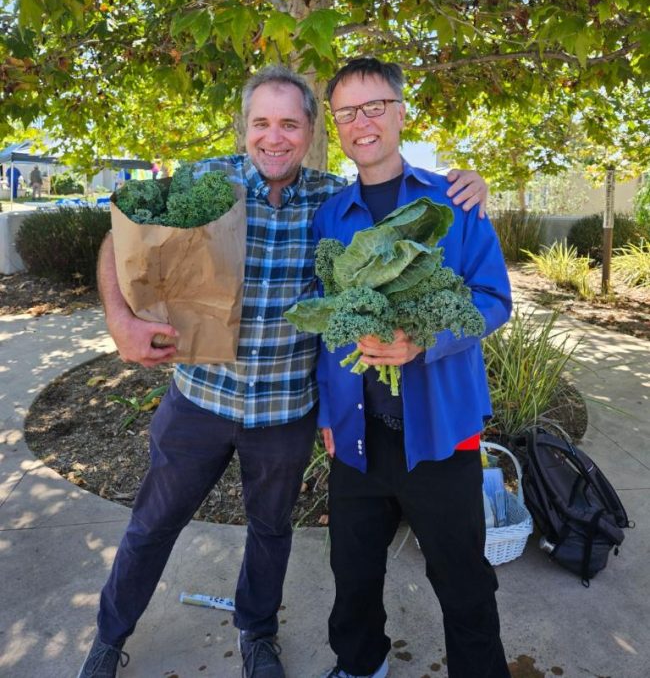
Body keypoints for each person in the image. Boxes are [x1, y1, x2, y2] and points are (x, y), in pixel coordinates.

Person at [79, 65, 488, 678]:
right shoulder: (207, 182)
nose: (275, 137)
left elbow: (415, 234)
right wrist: (119, 320)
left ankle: (258, 634)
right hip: (199, 402)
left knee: (271, 533)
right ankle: (110, 638)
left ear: (310, 131)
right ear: (243, 127)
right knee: (151, 525)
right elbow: (118, 234)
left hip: (282, 414)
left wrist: (469, 184)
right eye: (262, 123)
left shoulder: (333, 203)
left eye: (290, 124)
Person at [314, 58, 512, 678]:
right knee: (352, 575)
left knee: (464, 582)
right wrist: (325, 412)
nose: (362, 123)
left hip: (442, 432)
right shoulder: (329, 214)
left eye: (375, 107)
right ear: (337, 125)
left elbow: (494, 299)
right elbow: (325, 328)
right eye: (347, 112)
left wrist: (421, 342)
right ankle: (360, 665)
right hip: (354, 436)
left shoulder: (454, 199)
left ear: (401, 113)